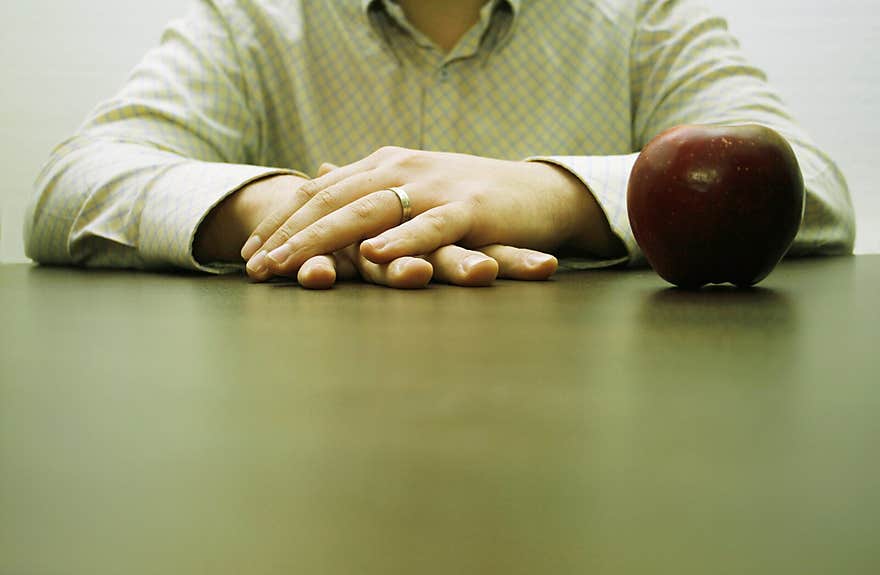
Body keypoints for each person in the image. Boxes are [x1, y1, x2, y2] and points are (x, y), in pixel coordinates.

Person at [24, 0, 855, 289]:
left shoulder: (640, 19)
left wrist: (552, 197)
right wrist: (297, 212)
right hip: (302, 421)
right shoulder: (253, 23)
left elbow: (808, 185)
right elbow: (74, 186)